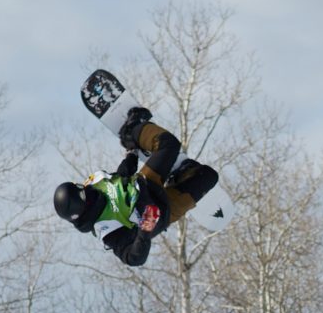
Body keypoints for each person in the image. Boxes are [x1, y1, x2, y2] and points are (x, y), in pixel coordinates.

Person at [52, 107, 220, 267]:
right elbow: (133, 258)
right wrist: (145, 228)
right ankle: (183, 174)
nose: (86, 189)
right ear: (81, 206)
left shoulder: (93, 185)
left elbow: (120, 178)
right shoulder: (107, 229)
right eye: (83, 193)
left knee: (169, 144)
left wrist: (131, 154)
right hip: (162, 212)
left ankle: (133, 129)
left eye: (81, 187)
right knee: (209, 176)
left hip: (147, 183)